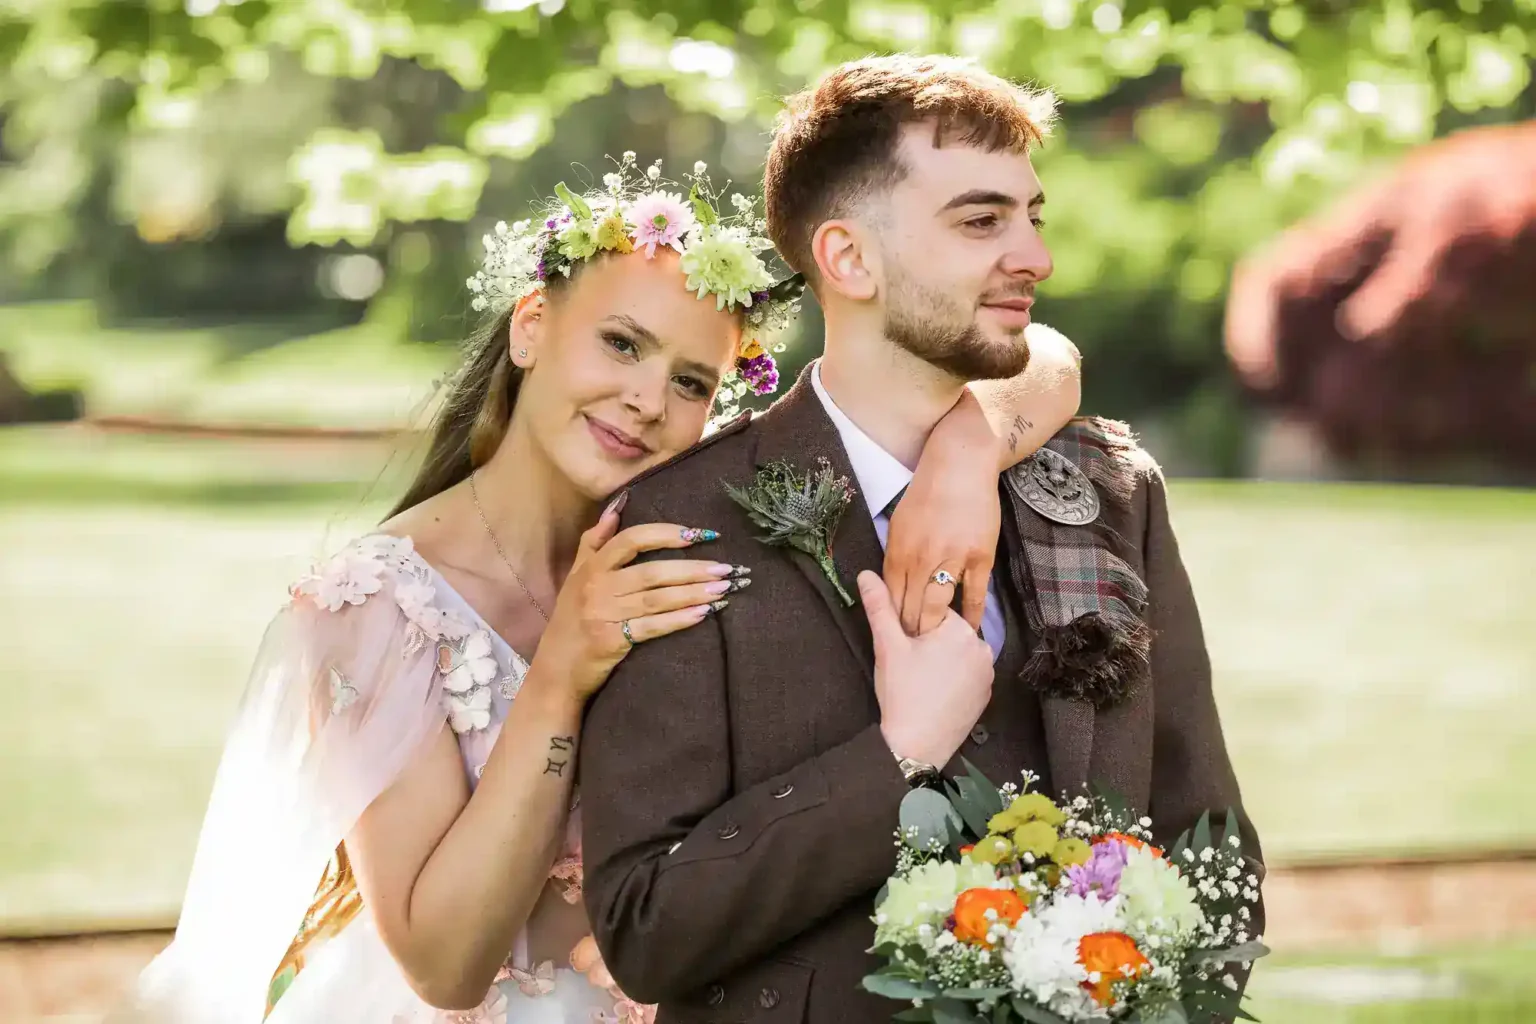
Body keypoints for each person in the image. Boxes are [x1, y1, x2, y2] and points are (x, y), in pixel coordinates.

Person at [111, 153, 1085, 1024]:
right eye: (620, 344)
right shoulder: (378, 607)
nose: (647, 399)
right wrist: (561, 671)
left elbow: (1047, 360)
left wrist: (966, 450)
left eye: (691, 381)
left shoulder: (692, 537)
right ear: (532, 326)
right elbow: (446, 966)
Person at [580, 56, 1265, 1023]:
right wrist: (895, 760)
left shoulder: (1112, 494)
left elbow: (1209, 842)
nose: (1034, 257)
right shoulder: (684, 523)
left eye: (1034, 217)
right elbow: (646, 930)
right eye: (982, 221)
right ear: (849, 259)